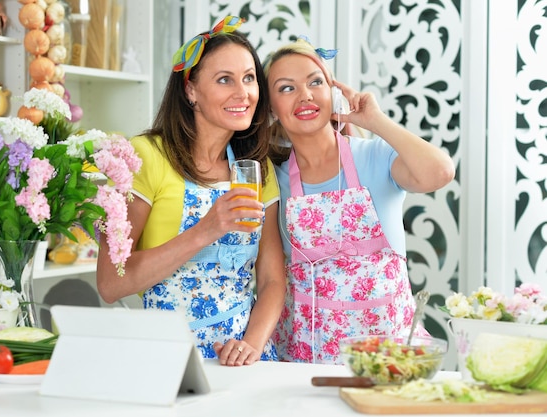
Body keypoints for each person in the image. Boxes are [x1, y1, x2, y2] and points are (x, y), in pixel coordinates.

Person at [96, 16, 285, 367]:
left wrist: (251, 346)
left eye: (249, 78)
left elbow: (273, 280)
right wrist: (207, 230)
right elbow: (110, 283)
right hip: (167, 358)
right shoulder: (145, 157)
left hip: (242, 359)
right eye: (224, 79)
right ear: (191, 90)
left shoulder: (257, 168)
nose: (243, 93)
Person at [263, 38, 455, 364]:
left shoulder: (376, 158)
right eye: (286, 88)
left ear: (332, 92)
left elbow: (440, 172)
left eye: (315, 82)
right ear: (270, 108)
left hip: (388, 358)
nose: (305, 95)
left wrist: (374, 120)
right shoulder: (273, 180)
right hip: (305, 359)